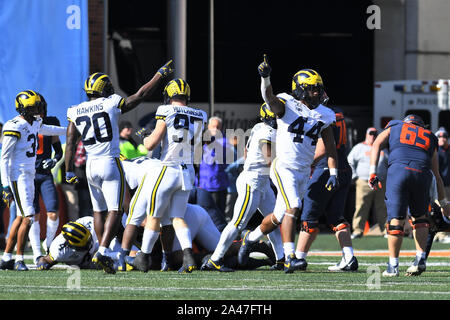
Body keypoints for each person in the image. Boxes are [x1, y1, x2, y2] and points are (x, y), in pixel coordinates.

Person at [64, 60, 174, 274]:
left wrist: (68, 170)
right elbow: (140, 96)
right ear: (104, 89)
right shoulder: (110, 102)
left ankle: (101, 249)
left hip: (90, 165)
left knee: (98, 211)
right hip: (109, 162)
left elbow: (70, 142)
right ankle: (103, 251)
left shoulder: (75, 110)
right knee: (116, 210)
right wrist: (159, 76)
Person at [238, 56, 339, 273]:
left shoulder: (325, 114)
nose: (317, 93)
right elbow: (269, 98)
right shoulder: (287, 103)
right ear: (300, 89)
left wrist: (333, 172)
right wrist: (266, 78)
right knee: (294, 206)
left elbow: (330, 146)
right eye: (312, 89)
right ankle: (290, 257)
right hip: (283, 166)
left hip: (304, 170)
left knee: (278, 216)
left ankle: (251, 238)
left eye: (318, 89)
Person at [130, 78, 207, 274]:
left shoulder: (165, 110)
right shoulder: (201, 114)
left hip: (168, 169)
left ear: (168, 95)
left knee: (154, 216)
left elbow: (150, 145)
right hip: (188, 170)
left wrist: (146, 136)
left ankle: (144, 257)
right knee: (177, 217)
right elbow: (197, 146)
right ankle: (188, 256)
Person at [201, 103, 283, 272]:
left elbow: (246, 152)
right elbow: (270, 160)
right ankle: (215, 260)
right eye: (276, 115)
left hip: (262, 181)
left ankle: (281, 258)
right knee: (237, 223)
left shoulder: (259, 127)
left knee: (274, 220)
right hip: (252, 181)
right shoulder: (267, 131)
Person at [369, 114, 450, 277]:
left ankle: (393, 266)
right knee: (420, 218)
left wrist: (372, 172)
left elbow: (377, 143)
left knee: (396, 220)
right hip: (422, 173)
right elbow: (436, 174)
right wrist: (443, 202)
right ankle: (420, 258)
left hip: (399, 170)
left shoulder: (395, 126)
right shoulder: (430, 136)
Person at [0, 90, 66, 271]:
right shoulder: (14, 125)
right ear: (24, 109)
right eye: (34, 107)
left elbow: (48, 129)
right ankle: (19, 258)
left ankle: (6, 257)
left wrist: (70, 129)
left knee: (21, 217)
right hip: (18, 175)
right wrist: (5, 185)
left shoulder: (35, 122)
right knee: (28, 217)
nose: (38, 109)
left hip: (30, 174)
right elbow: (4, 159)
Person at [294, 107, 358, 272]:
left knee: (309, 217)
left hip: (325, 169)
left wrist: (305, 163)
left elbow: (323, 149)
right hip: (343, 168)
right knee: (336, 218)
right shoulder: (338, 114)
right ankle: (349, 257)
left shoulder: (324, 116)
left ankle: (299, 259)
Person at [30, 94, 64, 262]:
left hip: (44, 174)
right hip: (28, 176)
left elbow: (58, 150)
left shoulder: (51, 121)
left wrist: (54, 160)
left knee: (53, 211)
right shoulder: (23, 125)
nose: (38, 112)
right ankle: (36, 252)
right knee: (33, 214)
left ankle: (48, 244)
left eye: (39, 109)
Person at [347, 127, 388, 239]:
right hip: (364, 181)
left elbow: (388, 164)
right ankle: (357, 230)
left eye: (375, 134)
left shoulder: (382, 149)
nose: (373, 136)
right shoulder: (359, 148)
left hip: (380, 182)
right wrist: (355, 177)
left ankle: (385, 230)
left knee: (382, 207)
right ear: (366, 134)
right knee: (361, 206)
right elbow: (350, 162)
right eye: (371, 133)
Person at [196, 116, 232, 216]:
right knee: (202, 214)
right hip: (202, 186)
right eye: (213, 127)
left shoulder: (224, 142)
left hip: (217, 186)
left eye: (218, 127)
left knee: (217, 216)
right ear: (208, 127)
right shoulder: (204, 141)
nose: (215, 129)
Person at [434, 127, 450, 243]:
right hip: (437, 185)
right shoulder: (434, 151)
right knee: (440, 209)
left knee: (446, 209)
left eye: (444, 136)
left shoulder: (448, 150)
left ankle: (442, 233)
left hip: (447, 185)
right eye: (439, 136)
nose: (442, 139)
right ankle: (440, 234)